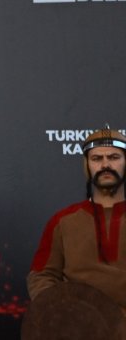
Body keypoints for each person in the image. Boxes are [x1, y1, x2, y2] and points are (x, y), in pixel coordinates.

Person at [29, 128, 126, 306]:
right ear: (87, 165)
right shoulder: (63, 221)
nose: (106, 165)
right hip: (80, 328)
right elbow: (41, 275)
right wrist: (63, 311)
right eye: (97, 158)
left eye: (114, 157)